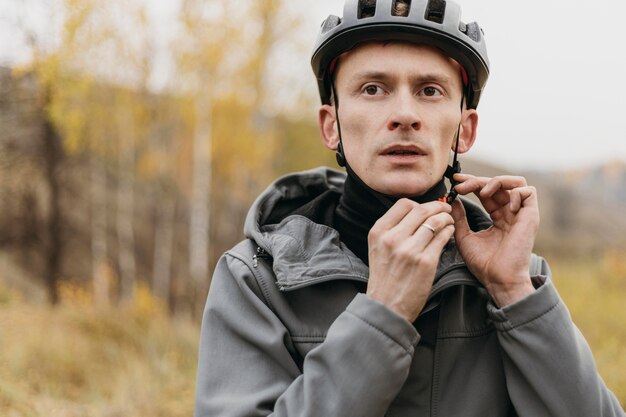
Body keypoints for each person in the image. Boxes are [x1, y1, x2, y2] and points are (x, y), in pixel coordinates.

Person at [194, 0, 626, 415]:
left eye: (430, 90)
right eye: (373, 88)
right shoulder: (257, 279)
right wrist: (383, 315)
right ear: (332, 125)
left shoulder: (513, 277)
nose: (404, 114)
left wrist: (513, 292)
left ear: (465, 130)